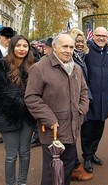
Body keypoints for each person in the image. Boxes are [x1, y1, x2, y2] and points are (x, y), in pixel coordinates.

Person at [25, 34, 89, 185]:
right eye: (65, 46)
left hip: (72, 129)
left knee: (66, 171)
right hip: (52, 132)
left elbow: (84, 92)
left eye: (71, 47)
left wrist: (81, 110)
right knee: (51, 174)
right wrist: (50, 119)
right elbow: (31, 97)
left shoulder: (77, 69)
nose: (68, 50)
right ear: (54, 47)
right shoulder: (39, 68)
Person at [0, 35, 36, 185]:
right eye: (18, 46)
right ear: (12, 47)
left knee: (25, 152)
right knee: (11, 154)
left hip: (28, 117)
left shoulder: (33, 66)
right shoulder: (0, 65)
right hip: (7, 116)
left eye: (25, 46)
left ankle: (22, 182)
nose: (22, 49)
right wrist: (23, 105)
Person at [81, 26, 108, 174]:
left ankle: (93, 152)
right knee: (87, 129)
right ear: (93, 36)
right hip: (90, 98)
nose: (101, 38)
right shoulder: (86, 52)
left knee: (99, 128)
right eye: (98, 35)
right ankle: (87, 156)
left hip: (104, 97)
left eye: (104, 36)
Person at [70, 28, 94, 181]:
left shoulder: (82, 56)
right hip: (72, 99)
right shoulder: (71, 56)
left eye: (81, 41)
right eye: (76, 41)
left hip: (81, 98)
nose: (79, 44)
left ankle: (75, 163)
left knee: (77, 132)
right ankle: (73, 167)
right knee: (70, 134)